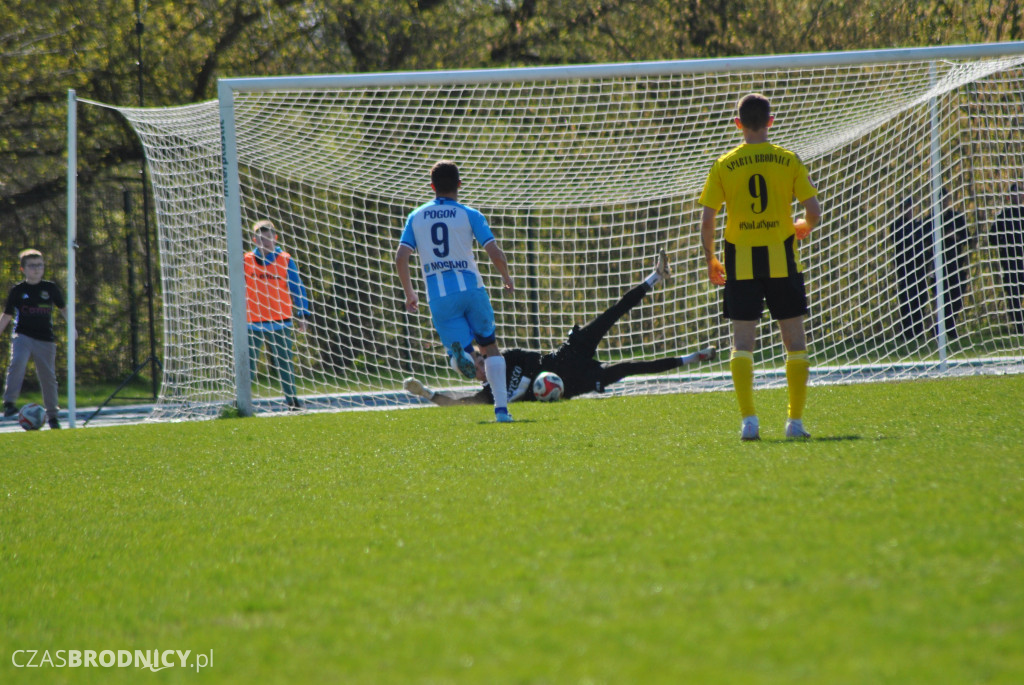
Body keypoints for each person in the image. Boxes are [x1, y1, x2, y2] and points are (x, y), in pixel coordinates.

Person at [403, 251, 716, 406]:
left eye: (480, 362)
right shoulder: (490, 394)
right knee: (630, 367)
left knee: (610, 314)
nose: (482, 370)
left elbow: (532, 370)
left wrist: (523, 390)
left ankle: (655, 277)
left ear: (484, 357)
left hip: (569, 354)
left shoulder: (506, 358)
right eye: (476, 371)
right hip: (575, 383)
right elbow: (460, 404)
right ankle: (693, 358)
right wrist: (426, 393)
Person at [697, 93, 822, 441]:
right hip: (783, 260)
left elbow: (707, 221)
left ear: (738, 124)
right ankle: (794, 424)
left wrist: (710, 258)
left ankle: (749, 421)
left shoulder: (724, 163)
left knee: (742, 344)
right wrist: (804, 226)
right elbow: (814, 211)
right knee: (794, 343)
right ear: (770, 121)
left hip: (741, 263)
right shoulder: (788, 160)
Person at [395, 160, 516, 423]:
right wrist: (506, 277)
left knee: (463, 356)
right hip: (472, 289)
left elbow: (400, 257)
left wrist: (410, 293)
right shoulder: (469, 213)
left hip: (440, 296)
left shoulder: (416, 216)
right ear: (459, 185)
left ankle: (461, 356)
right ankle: (502, 411)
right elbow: (494, 252)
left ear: (432, 187)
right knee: (491, 347)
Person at [244, 219, 310, 410]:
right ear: (254, 239)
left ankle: (292, 401)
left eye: (269, 237)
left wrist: (303, 314)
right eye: (260, 238)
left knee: (285, 364)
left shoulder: (285, 259)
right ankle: (242, 401)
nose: (265, 241)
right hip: (252, 322)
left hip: (280, 321)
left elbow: (297, 288)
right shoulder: (246, 260)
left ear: (275, 237)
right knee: (247, 365)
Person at [0, 249, 68, 429]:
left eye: (40, 265)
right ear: (23, 269)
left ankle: (53, 415)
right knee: (18, 362)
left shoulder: (50, 288)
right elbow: (7, 315)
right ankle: (9, 403)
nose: (37, 269)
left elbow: (64, 309)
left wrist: (72, 327)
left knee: (48, 377)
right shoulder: (18, 290)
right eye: (32, 266)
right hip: (23, 335)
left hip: (45, 338)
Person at [929, 188, 971, 339]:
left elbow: (968, 238)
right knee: (941, 299)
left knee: (956, 298)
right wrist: (942, 237)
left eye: (946, 200)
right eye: (941, 200)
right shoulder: (932, 220)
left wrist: (956, 237)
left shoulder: (957, 218)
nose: (944, 203)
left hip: (955, 265)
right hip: (938, 267)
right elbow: (926, 241)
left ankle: (947, 327)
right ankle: (941, 330)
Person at [891, 197, 931, 340]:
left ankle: (919, 332)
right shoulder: (897, 225)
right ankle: (908, 333)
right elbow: (903, 244)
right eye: (906, 207)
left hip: (920, 268)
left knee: (921, 299)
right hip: (905, 269)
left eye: (911, 207)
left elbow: (926, 242)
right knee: (908, 299)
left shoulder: (919, 225)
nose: (909, 211)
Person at [990, 182, 1024, 333]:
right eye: (1015, 194)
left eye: (1020, 193)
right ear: (1010, 197)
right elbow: (992, 237)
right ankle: (1018, 325)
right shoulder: (1003, 215)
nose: (1018, 197)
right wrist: (1006, 243)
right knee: (1013, 294)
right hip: (1010, 263)